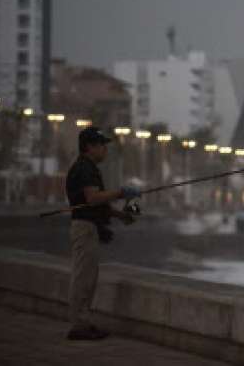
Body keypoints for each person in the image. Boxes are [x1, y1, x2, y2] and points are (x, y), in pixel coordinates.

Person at [64, 126, 141, 341]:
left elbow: (97, 205)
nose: (105, 150)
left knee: (88, 277)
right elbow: (93, 198)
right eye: (102, 145)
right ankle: (79, 326)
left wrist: (120, 216)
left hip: (89, 226)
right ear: (90, 147)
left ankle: (83, 322)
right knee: (83, 277)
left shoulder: (87, 167)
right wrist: (121, 192)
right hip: (84, 228)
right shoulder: (85, 168)